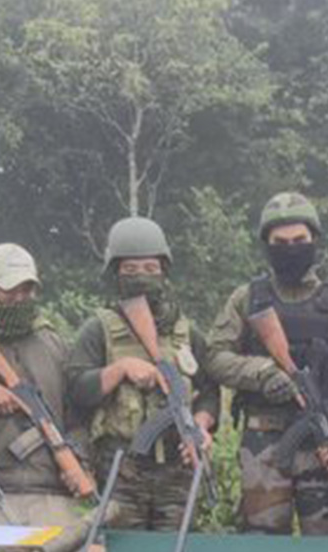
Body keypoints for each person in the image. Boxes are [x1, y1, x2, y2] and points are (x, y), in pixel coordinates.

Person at [205, 192, 328, 535]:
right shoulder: (247, 298)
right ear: (267, 245)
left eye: (300, 240)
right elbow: (214, 356)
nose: (291, 248)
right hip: (262, 444)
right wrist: (263, 373)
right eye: (280, 242)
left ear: (314, 240)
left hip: (323, 445)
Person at [64, 216, 220, 531]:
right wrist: (120, 369)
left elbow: (210, 392)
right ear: (115, 273)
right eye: (131, 270)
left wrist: (201, 427)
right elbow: (76, 391)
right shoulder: (99, 330)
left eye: (151, 269)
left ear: (164, 271)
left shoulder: (186, 332)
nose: (142, 277)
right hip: (122, 468)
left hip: (178, 469)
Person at [0, 243, 85, 527]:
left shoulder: (55, 345)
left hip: (52, 492)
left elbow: (76, 414)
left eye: (27, 290)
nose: (19, 298)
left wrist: (77, 461)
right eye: (10, 290)